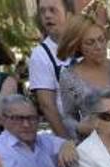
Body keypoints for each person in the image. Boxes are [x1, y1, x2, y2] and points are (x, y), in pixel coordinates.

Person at [58, 13, 110, 140]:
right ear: (78, 46)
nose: (98, 47)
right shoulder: (69, 78)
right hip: (97, 146)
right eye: (90, 42)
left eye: (101, 40)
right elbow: (67, 116)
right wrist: (80, 127)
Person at [29, 0, 74, 139]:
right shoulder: (40, 54)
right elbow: (47, 105)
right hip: (74, 136)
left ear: (69, 14)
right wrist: (67, 141)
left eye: (53, 10)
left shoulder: (84, 42)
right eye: (42, 11)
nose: (47, 15)